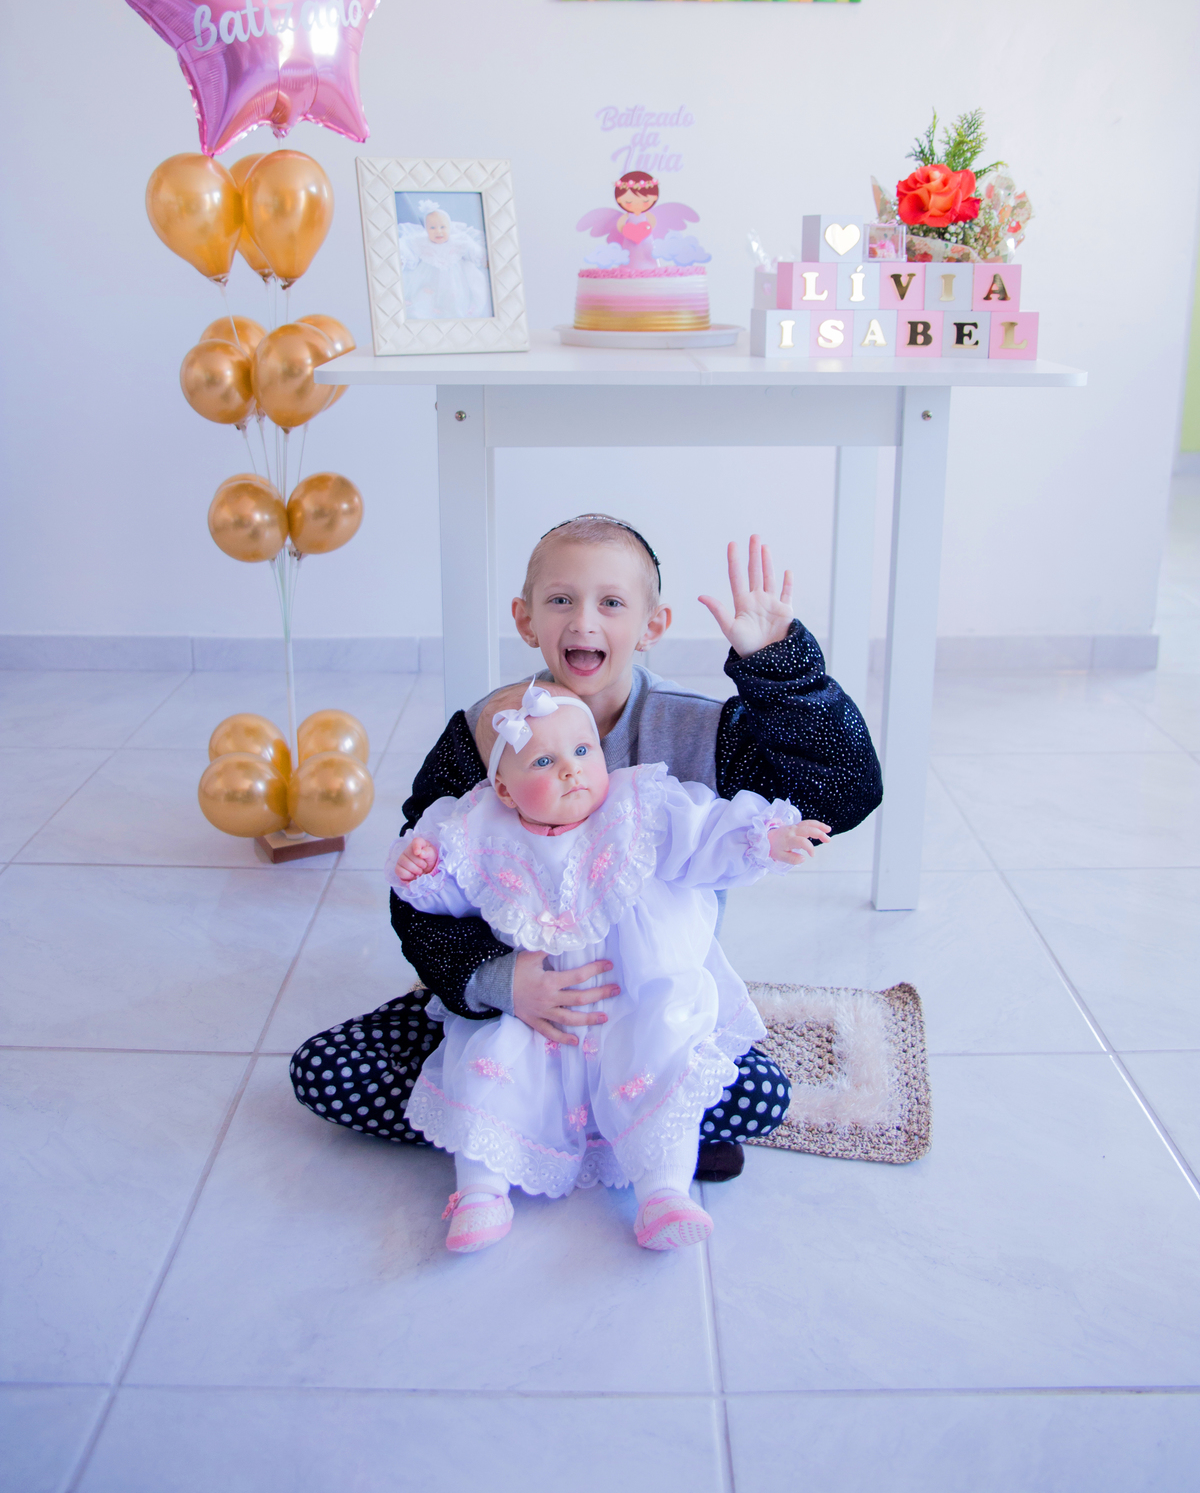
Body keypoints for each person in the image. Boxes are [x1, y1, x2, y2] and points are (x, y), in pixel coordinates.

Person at [290, 518, 882, 1183]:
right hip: (521, 1023)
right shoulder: (491, 731)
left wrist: (780, 667)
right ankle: (580, 1126)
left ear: (652, 626)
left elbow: (844, 792)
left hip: (648, 1016)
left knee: (760, 1097)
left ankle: (598, 1124)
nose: (584, 622)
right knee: (326, 1072)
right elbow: (421, 881)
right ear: (525, 618)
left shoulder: (698, 728)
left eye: (612, 603)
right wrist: (498, 982)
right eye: (561, 600)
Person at [390, 681, 829, 1252]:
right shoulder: (479, 828)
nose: (572, 770)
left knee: (659, 1054)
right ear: (503, 786)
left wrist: (764, 840)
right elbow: (450, 899)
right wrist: (424, 872)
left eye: (581, 751)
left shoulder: (639, 805)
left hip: (632, 996)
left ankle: (664, 1194)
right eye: (544, 761)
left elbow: (702, 838)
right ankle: (480, 1194)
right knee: (489, 1068)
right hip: (532, 1015)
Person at [396, 200, 492, 320]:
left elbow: (471, 249)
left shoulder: (459, 240)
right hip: (428, 277)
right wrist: (402, 258)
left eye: (442, 227)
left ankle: (447, 310)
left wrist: (483, 258)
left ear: (449, 227)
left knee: (454, 297)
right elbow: (408, 246)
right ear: (426, 229)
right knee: (425, 295)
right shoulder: (421, 241)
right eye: (432, 228)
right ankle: (428, 310)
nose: (438, 231)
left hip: (453, 279)